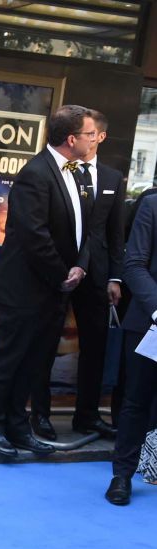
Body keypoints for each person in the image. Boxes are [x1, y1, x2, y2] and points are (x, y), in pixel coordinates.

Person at [0, 105, 97, 457]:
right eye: (90, 134)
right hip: (26, 287)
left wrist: (80, 267)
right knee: (8, 357)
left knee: (34, 361)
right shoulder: (36, 172)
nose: (95, 139)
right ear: (72, 138)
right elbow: (33, 234)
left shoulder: (74, 172)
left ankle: (17, 427)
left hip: (56, 288)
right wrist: (64, 273)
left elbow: (83, 229)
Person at [28, 109, 124, 442]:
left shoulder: (112, 179)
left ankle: (87, 416)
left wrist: (115, 277)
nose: (89, 137)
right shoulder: (58, 171)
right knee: (45, 343)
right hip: (59, 271)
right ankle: (39, 415)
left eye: (93, 132)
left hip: (96, 276)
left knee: (95, 346)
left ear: (101, 136)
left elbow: (113, 235)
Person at [105, 194, 157, 505]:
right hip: (148, 324)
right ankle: (122, 475)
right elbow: (135, 264)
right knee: (136, 400)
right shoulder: (152, 206)